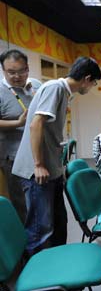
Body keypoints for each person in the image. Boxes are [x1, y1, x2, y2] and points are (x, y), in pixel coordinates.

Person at [12, 56, 101, 255]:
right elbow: (36, 124)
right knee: (40, 230)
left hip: (51, 170)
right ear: (86, 79)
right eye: (93, 82)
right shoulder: (55, 88)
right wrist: (38, 165)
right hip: (37, 173)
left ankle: (59, 267)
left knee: (59, 223)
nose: (92, 87)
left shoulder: (62, 91)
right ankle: (38, 281)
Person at [0, 49, 41, 223]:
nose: (17, 76)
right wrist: (17, 123)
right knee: (22, 205)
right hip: (14, 158)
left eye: (21, 71)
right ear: (3, 70)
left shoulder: (35, 86)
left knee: (41, 202)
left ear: (28, 68)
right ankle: (28, 247)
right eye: (11, 72)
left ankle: (44, 243)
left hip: (39, 155)